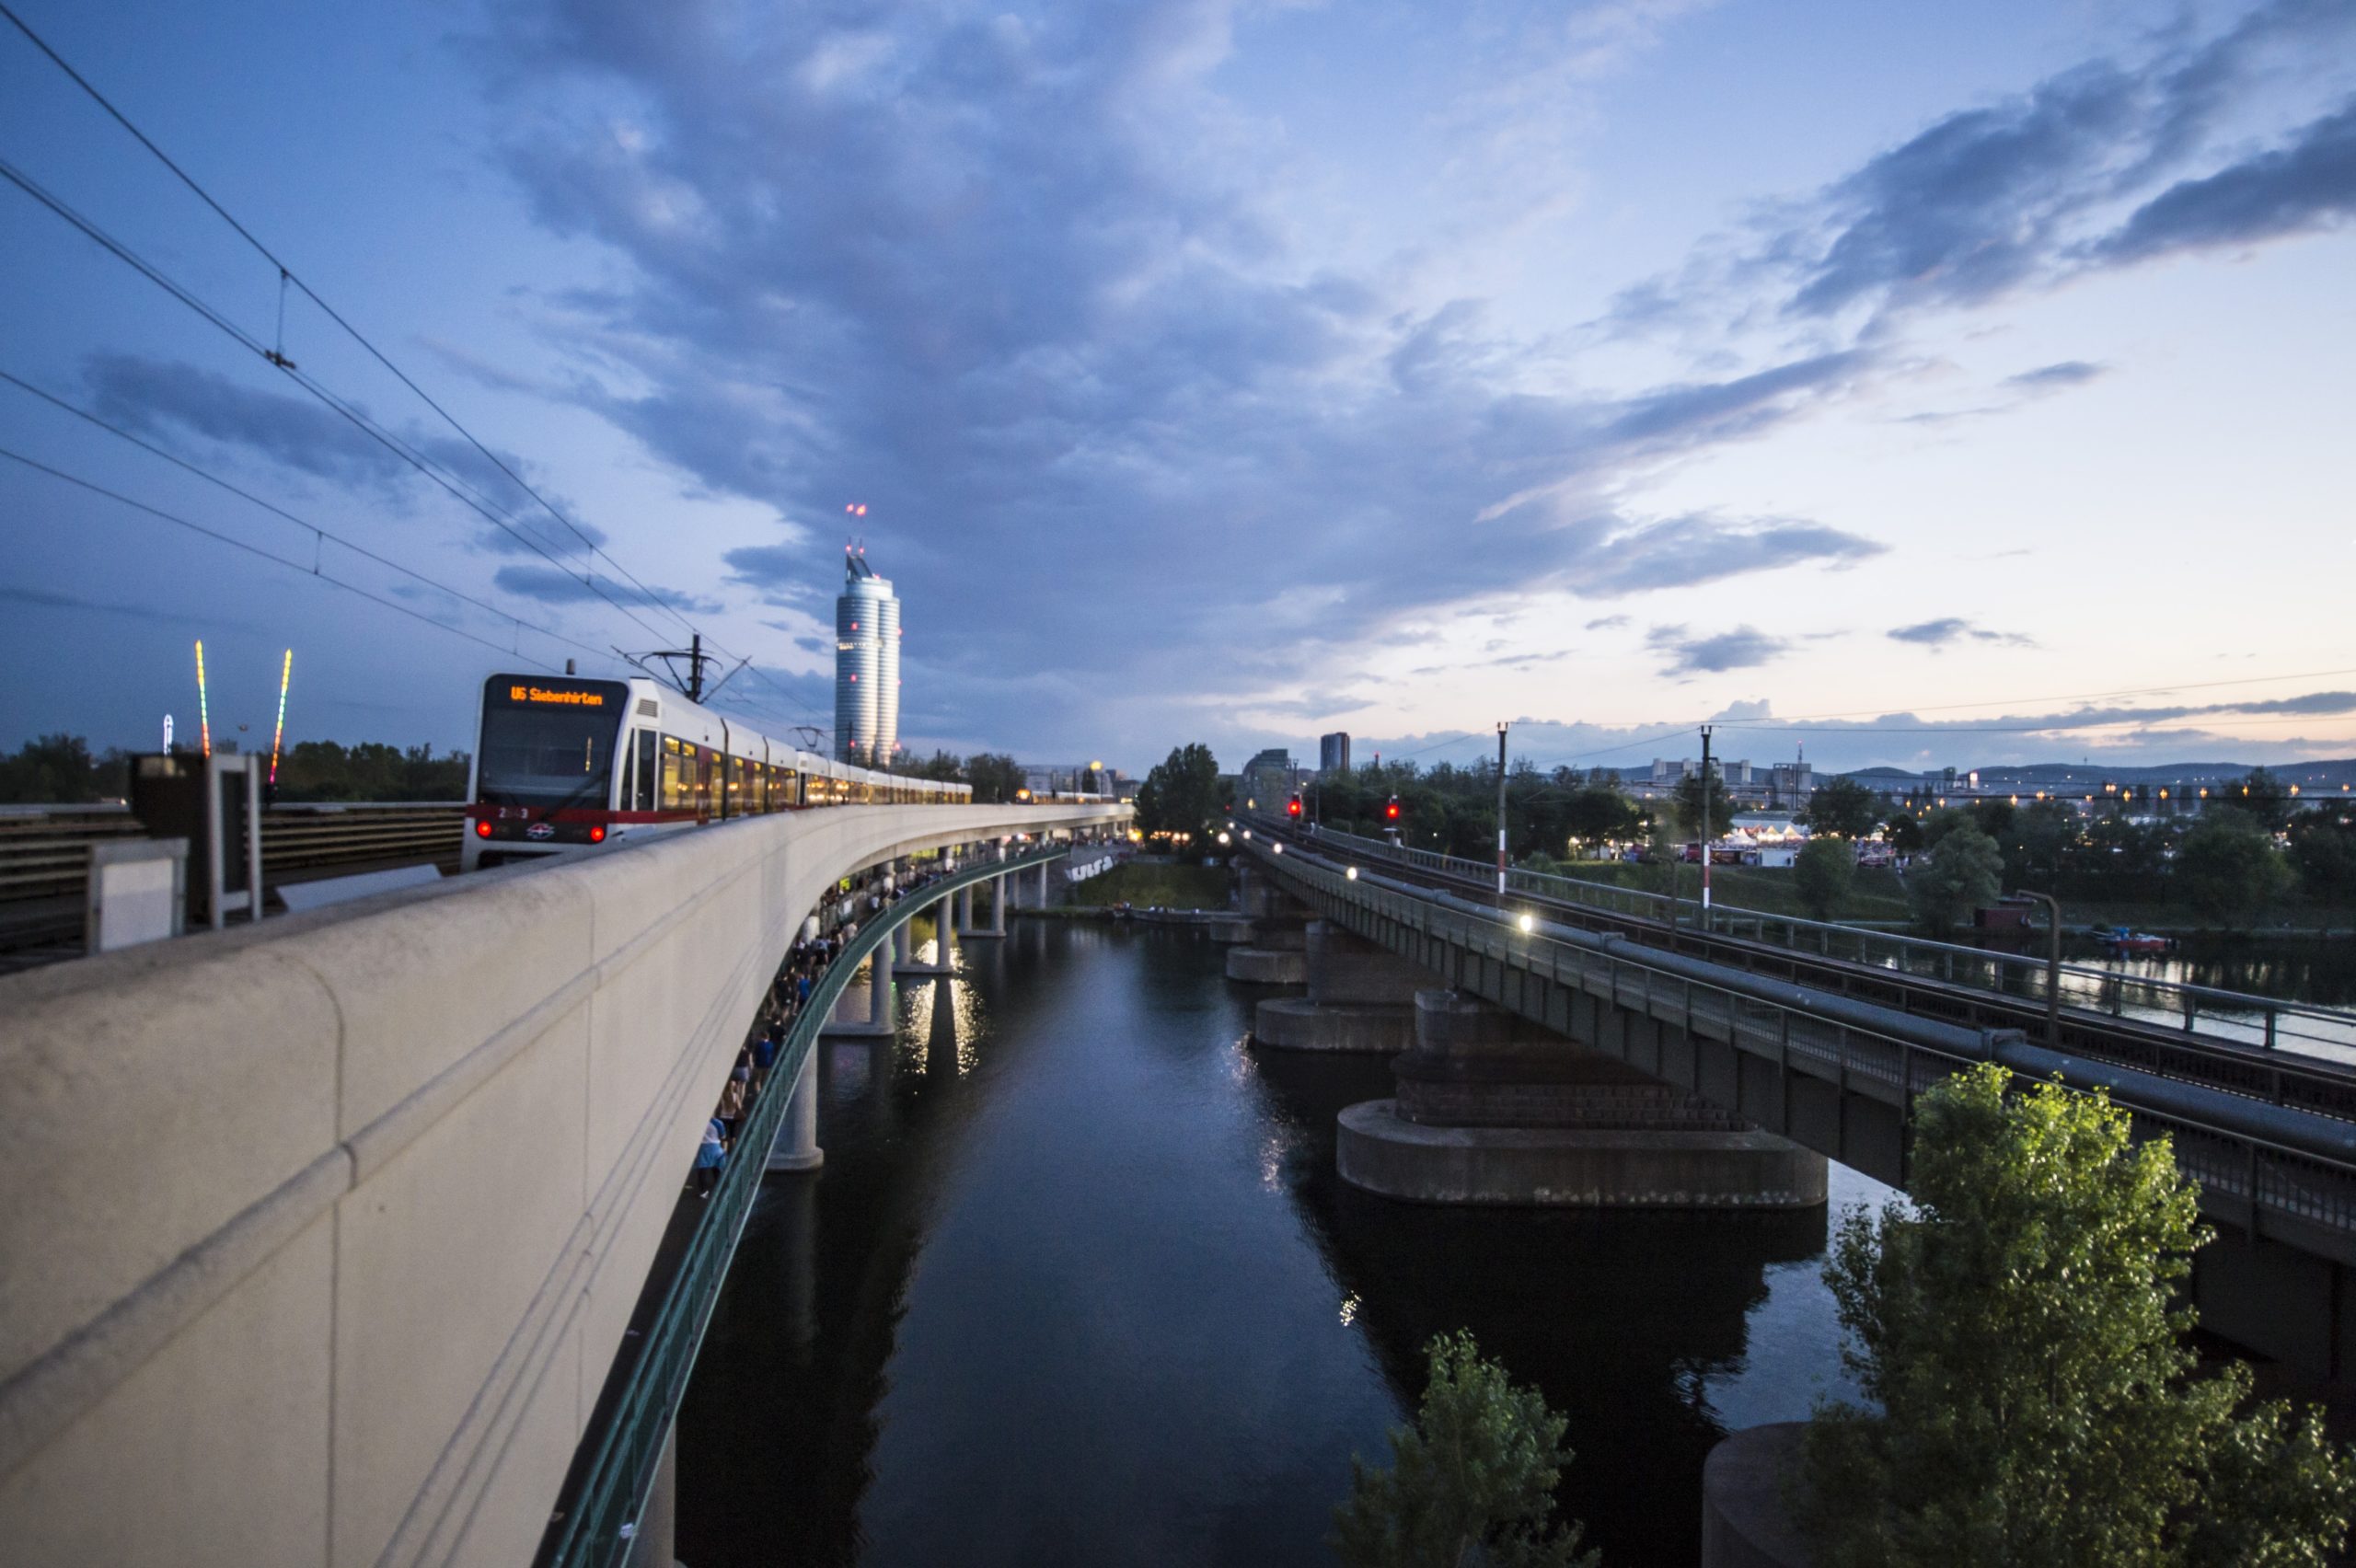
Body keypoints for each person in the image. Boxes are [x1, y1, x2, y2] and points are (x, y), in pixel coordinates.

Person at [693, 1116, 725, 1198]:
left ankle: (703, 1192)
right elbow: (723, 1136)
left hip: (703, 1146)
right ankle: (719, 1187)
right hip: (715, 1146)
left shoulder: (698, 1121)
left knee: (703, 1170)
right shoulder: (717, 1122)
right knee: (717, 1167)